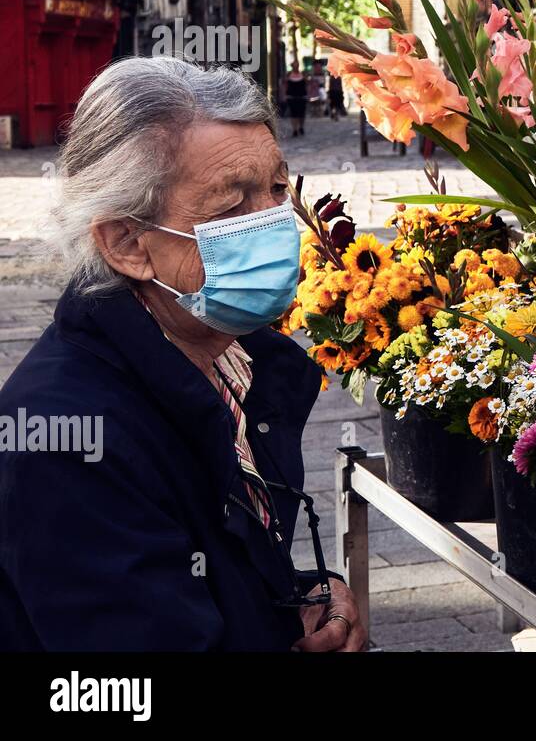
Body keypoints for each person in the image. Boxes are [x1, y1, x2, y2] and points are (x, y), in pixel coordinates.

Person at [0, 57, 366, 652]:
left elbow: (206, 565)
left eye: (276, 188)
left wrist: (303, 598)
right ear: (127, 243)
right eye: (229, 206)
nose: (273, 224)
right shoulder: (65, 441)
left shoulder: (232, 356)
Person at [284, 57, 308, 137]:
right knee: (293, 114)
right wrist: (285, 95)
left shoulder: (303, 74)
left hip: (302, 97)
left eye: (297, 65)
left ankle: (301, 127)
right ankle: (295, 129)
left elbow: (306, 84)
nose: (296, 66)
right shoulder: (288, 75)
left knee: (301, 114)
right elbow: (286, 85)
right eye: (294, 65)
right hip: (292, 97)